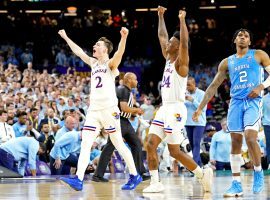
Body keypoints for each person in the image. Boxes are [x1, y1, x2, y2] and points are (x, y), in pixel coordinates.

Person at [58, 27, 142, 191]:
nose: (94, 46)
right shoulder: (93, 63)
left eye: (97, 44)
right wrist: (66, 37)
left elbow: (119, 54)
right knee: (86, 143)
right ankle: (79, 179)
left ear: (105, 49)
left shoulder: (110, 64)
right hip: (94, 111)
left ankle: (134, 175)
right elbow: (78, 52)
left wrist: (124, 38)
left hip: (109, 110)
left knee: (118, 143)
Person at [193, 28, 270, 197]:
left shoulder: (259, 55)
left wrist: (261, 86)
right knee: (235, 141)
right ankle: (236, 184)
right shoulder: (227, 62)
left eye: (246, 36)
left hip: (253, 102)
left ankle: (258, 172)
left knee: (250, 137)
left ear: (249, 42)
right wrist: (200, 107)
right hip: (235, 103)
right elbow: (213, 86)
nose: (243, 37)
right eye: (240, 36)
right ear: (235, 40)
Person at [143, 7, 212, 193]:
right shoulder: (167, 58)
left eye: (172, 43)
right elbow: (161, 35)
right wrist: (160, 16)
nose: (167, 44)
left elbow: (184, 42)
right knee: (150, 144)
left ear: (178, 46)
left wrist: (182, 21)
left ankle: (201, 174)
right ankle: (156, 182)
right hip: (164, 108)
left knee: (175, 151)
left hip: (176, 109)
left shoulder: (181, 64)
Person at [92, 72, 150, 182]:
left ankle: (140, 173)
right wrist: (136, 110)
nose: (137, 81)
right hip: (119, 122)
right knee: (110, 147)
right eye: (135, 79)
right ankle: (97, 175)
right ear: (129, 80)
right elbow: (123, 108)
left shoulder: (126, 90)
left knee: (136, 144)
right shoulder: (123, 90)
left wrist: (133, 112)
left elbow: (124, 109)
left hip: (124, 122)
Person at [185, 76, 206, 166]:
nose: (187, 87)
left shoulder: (202, 93)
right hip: (187, 122)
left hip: (199, 123)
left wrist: (193, 100)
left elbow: (203, 108)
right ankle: (199, 165)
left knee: (196, 144)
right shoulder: (184, 93)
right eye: (186, 85)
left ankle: (194, 166)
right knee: (192, 145)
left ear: (194, 84)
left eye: (189, 85)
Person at [262, 89, 270, 168]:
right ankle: (269, 163)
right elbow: (261, 111)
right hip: (267, 124)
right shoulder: (264, 99)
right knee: (269, 143)